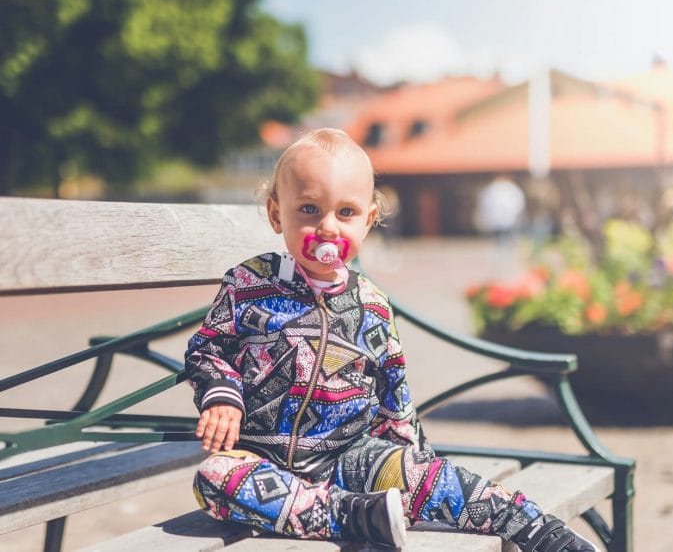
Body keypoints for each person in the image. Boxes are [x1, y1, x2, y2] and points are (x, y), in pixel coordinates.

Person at [185, 128, 597, 551]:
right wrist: (221, 394)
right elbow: (208, 346)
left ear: (368, 220)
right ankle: (356, 516)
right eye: (309, 209)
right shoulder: (248, 283)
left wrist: (412, 461)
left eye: (345, 212)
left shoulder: (371, 302)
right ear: (276, 215)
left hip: (351, 457)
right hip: (265, 462)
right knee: (214, 479)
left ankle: (536, 530)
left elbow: (393, 390)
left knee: (437, 478)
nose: (327, 227)